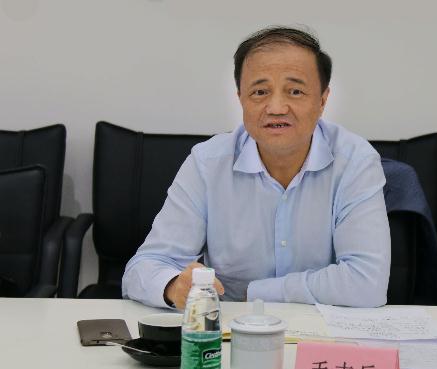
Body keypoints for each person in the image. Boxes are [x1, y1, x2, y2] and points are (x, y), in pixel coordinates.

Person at [122, 26, 391, 309]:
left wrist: (256, 293)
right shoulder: (207, 164)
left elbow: (367, 283)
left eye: (295, 91)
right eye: (260, 92)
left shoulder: (355, 162)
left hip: (322, 329)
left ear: (322, 100)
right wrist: (173, 286)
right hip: (230, 328)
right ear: (241, 98)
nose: (276, 107)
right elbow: (145, 267)